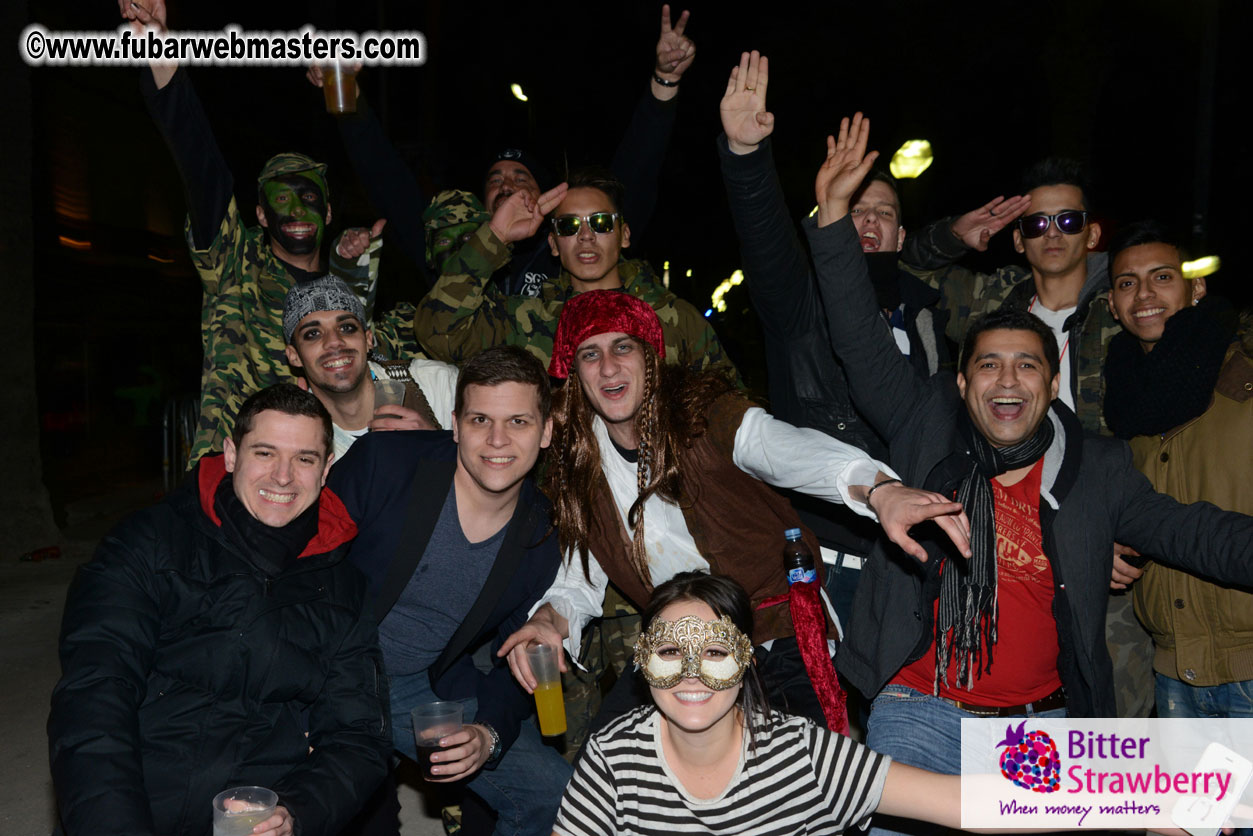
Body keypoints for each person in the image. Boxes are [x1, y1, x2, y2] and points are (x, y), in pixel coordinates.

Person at [804, 113, 1253, 836]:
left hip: (1040, 728)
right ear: (960, 384)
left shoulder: (1096, 467)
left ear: (1050, 385)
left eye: (1025, 366)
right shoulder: (923, 425)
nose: (1006, 380)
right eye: (987, 363)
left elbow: (1189, 530)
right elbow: (856, 336)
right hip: (921, 710)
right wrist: (830, 220)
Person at [500, 289, 971, 734]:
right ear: (574, 372)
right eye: (590, 354)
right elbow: (579, 579)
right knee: (612, 763)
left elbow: (779, 447)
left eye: (622, 347)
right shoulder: (580, 466)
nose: (607, 368)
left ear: (648, 356)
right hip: (676, 649)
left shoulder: (704, 416)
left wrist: (879, 490)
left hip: (773, 632)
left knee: (801, 781)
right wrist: (548, 620)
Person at [49, 384, 391, 836]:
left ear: (326, 468)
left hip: (252, 819)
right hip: (132, 804)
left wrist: (297, 811)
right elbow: (93, 694)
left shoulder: (344, 586)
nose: (283, 476)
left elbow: (359, 736)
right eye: (265, 453)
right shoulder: (149, 542)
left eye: (304, 459)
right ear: (231, 454)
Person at [899, 153, 1154, 718]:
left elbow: (1166, 432)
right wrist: (952, 238)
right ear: (1018, 239)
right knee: (1017, 691)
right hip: (1002, 538)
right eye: (1036, 223)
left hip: (1097, 534)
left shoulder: (1128, 303)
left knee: (1114, 713)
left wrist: (1124, 534)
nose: (1052, 234)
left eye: (1068, 221)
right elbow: (904, 273)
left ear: (1091, 233)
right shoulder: (989, 301)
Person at [716, 50, 951, 629]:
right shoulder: (803, 306)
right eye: (856, 209)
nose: (869, 223)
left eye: (884, 214)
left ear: (902, 234)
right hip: (826, 563)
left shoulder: (931, 320)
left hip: (915, 562)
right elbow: (767, 245)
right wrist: (747, 157)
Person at [119, 0, 411, 465]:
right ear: (259, 213)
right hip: (233, 478)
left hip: (327, 481)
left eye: (309, 197)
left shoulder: (349, 300)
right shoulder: (235, 268)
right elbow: (203, 171)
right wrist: (163, 59)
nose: (296, 209)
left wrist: (359, 275)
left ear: (329, 210)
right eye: (279, 199)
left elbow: (412, 345)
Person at [328, 346, 572, 836]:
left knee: (554, 793)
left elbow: (517, 653)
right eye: (481, 419)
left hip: (417, 686)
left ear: (546, 431)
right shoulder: (387, 463)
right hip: (327, 663)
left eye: (519, 422)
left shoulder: (542, 534)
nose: (497, 440)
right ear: (455, 424)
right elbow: (307, 562)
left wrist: (489, 735)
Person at [553, 572, 976, 836]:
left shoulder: (802, 754)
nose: (691, 673)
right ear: (642, 663)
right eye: (669, 652)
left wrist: (1040, 773)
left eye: (716, 652)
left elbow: (962, 800)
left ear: (747, 662)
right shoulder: (614, 755)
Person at [312, 5, 695, 295]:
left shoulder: (574, 241)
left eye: (519, 176)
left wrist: (664, 83)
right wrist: (352, 105)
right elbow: (388, 183)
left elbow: (635, 171)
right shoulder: (454, 250)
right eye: (495, 179)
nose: (505, 184)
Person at [1101, 220, 1253, 719]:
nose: (1144, 294)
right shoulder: (1119, 405)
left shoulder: (1243, 379)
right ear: (1112, 303)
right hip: (1170, 669)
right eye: (1127, 283)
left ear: (1197, 287)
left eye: (1162, 277)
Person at [416, 168, 734, 375]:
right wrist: (495, 235)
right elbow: (439, 332)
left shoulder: (676, 319)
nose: (585, 235)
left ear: (624, 235)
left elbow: (727, 412)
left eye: (600, 222)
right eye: (569, 226)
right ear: (553, 244)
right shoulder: (527, 323)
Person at [283, 276, 458, 460]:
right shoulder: (297, 435)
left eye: (346, 328)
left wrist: (437, 444)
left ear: (368, 340)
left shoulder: (438, 384)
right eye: (313, 334)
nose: (334, 342)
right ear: (294, 356)